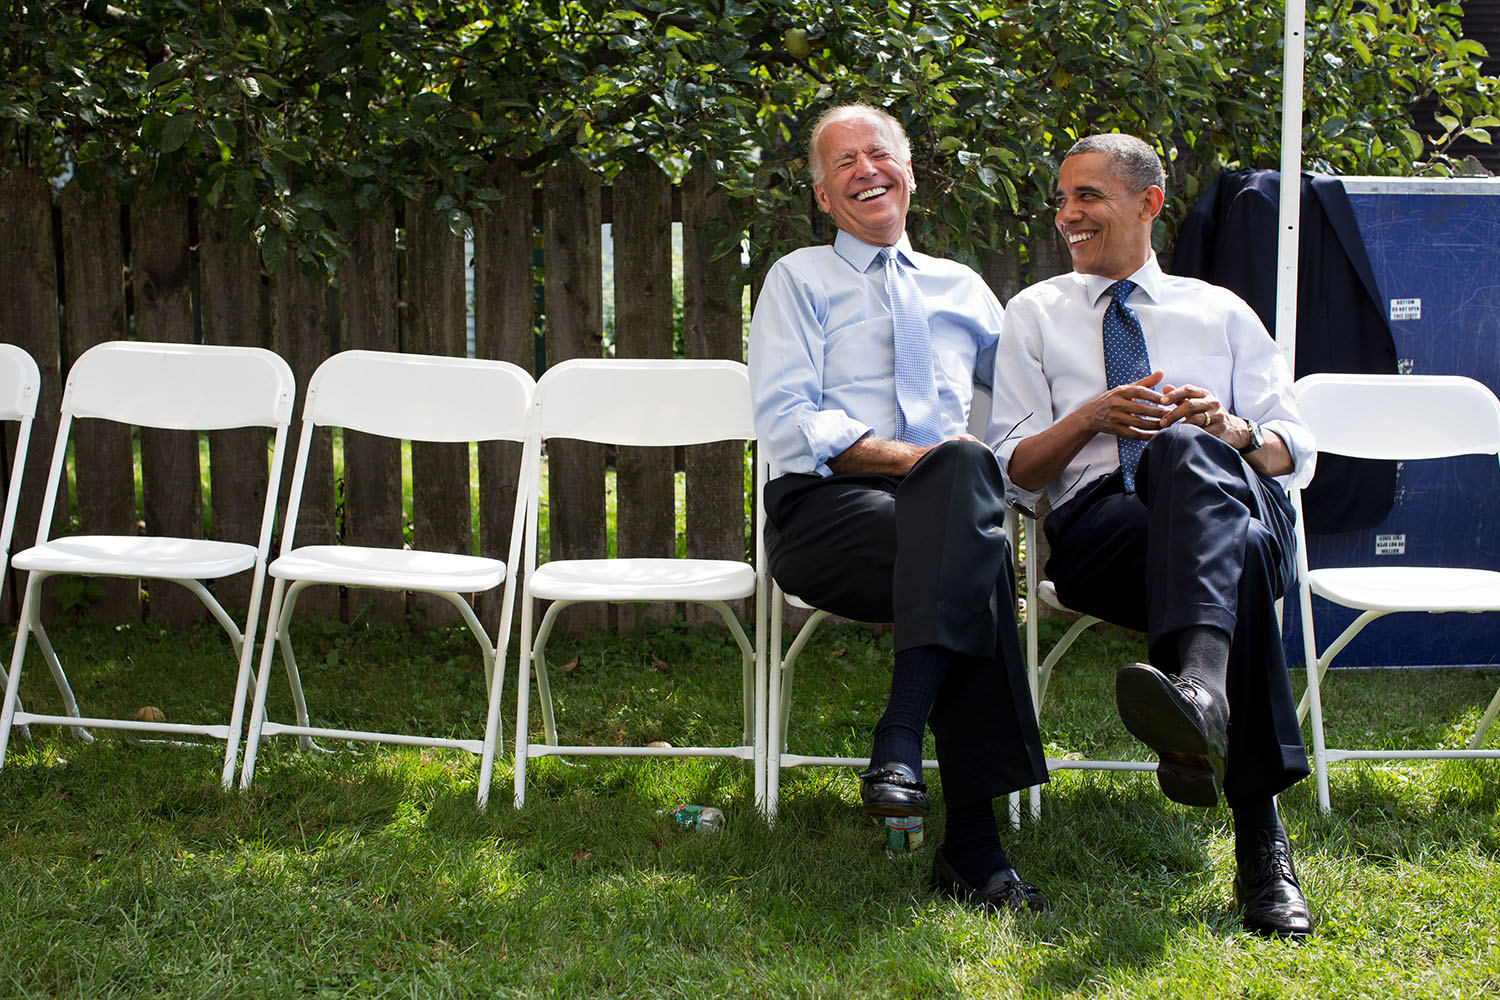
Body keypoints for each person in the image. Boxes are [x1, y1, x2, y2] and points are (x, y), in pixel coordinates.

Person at [989, 133, 1316, 938]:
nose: (1068, 214)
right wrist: (1093, 416)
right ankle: (1259, 839)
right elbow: (1012, 470)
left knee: (1189, 454)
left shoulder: (1221, 309)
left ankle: (1201, 698)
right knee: (1227, 552)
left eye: (1087, 196)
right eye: (1062, 198)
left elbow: (1294, 449)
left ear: (1149, 203)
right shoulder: (1034, 314)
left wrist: (1230, 430)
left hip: (1238, 499)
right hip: (1108, 533)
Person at [749, 104, 1049, 913]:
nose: (864, 170)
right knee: (968, 524)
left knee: (965, 525)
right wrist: (932, 463)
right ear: (821, 195)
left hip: (943, 518)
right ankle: (973, 844)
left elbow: (1027, 400)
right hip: (830, 515)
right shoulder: (798, 280)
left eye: (878, 153)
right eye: (842, 162)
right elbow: (787, 422)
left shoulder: (965, 290)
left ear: (910, 173)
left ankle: (901, 749)